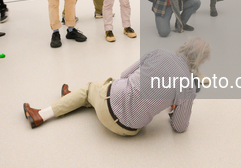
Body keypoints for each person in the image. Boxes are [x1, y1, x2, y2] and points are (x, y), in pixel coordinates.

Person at [23, 37, 210, 135]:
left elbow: (124, 75)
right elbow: (180, 127)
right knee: (100, 95)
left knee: (90, 88)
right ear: (200, 61)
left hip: (109, 103)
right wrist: (173, 107)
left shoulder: (159, 52)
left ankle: (42, 114)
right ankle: (78, 100)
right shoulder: (188, 87)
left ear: (185, 45)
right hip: (128, 129)